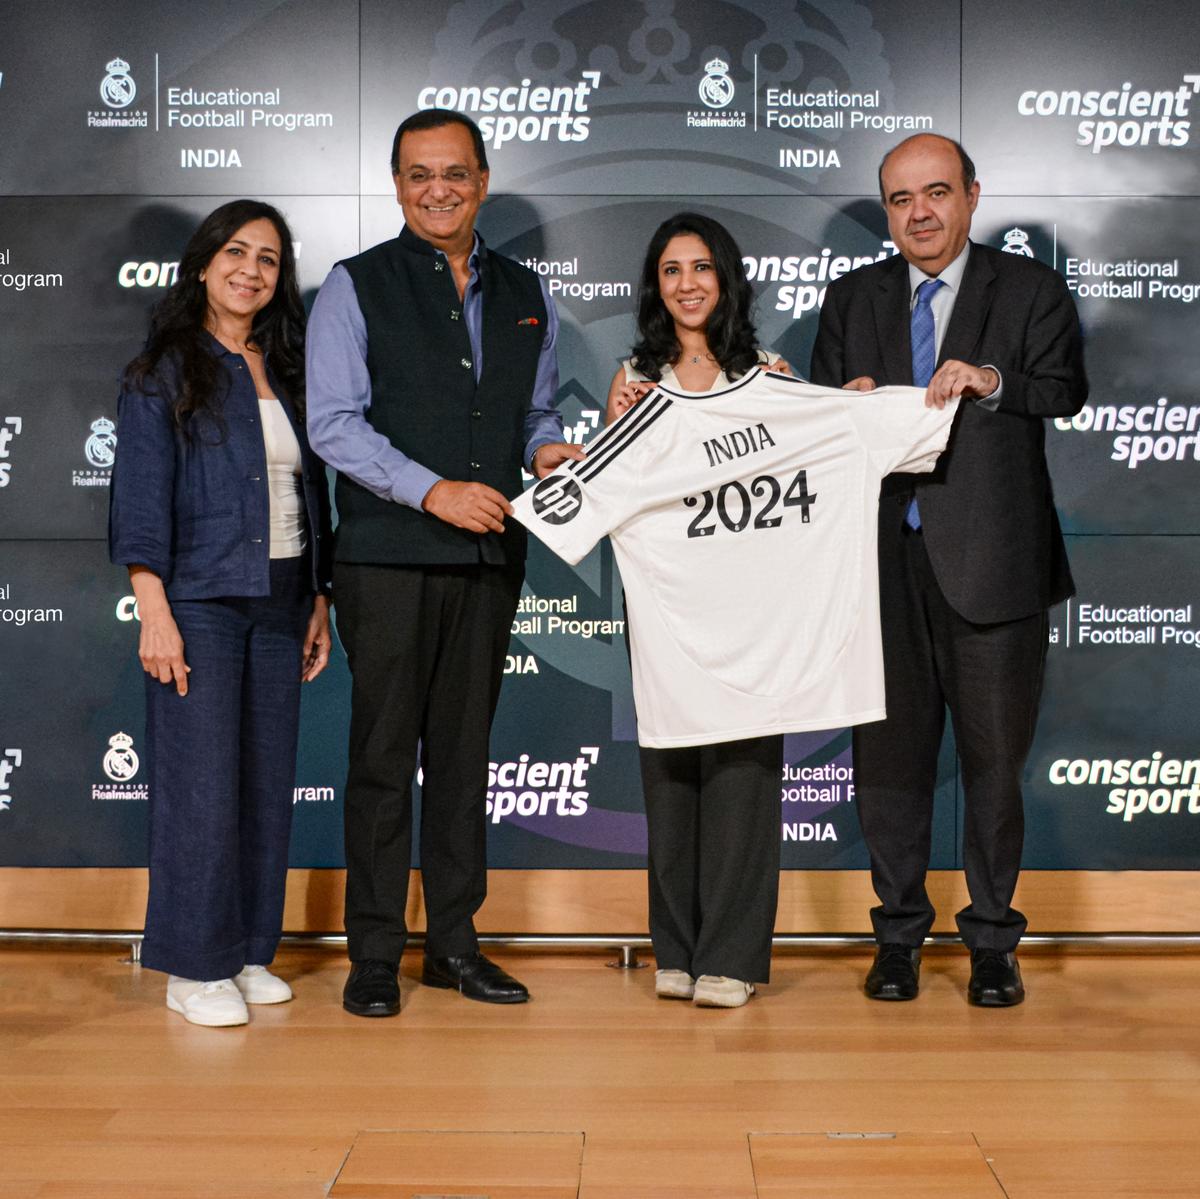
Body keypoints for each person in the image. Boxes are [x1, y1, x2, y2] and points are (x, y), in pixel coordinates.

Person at [305, 109, 581, 1018]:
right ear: (395, 184)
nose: (439, 190)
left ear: (483, 180)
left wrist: (547, 453)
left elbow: (534, 415)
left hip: (486, 559)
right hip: (386, 559)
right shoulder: (356, 286)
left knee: (465, 760)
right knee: (384, 758)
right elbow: (336, 425)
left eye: (455, 173)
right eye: (420, 174)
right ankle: (375, 954)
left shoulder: (525, 291)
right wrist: (434, 492)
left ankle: (455, 945)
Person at [810, 133, 1087, 1006]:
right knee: (887, 764)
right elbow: (817, 423)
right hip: (879, 565)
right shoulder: (852, 298)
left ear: (972, 195)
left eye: (936, 193)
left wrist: (992, 378)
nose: (919, 213)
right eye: (900, 199)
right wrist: (838, 409)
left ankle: (994, 942)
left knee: (994, 766)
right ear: (885, 210)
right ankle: (897, 938)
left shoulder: (1030, 287)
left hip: (995, 565)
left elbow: (1065, 387)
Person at [109, 199, 333, 1028]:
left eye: (269, 258)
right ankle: (190, 966)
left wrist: (319, 595)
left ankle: (243, 951)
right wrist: (154, 611)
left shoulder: (287, 366)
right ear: (203, 264)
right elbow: (139, 505)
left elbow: (309, 496)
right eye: (235, 253)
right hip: (198, 599)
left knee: (263, 784)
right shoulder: (162, 369)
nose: (251, 270)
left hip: (280, 597)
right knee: (200, 788)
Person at [607, 213, 789, 1009]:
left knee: (744, 779)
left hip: (752, 614)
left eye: (702, 267)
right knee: (671, 780)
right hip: (664, 611)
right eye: (672, 269)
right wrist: (615, 426)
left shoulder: (770, 374)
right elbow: (610, 490)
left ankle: (734, 955)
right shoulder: (632, 380)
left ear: (727, 280)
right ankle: (674, 949)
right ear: (657, 285)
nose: (688, 283)